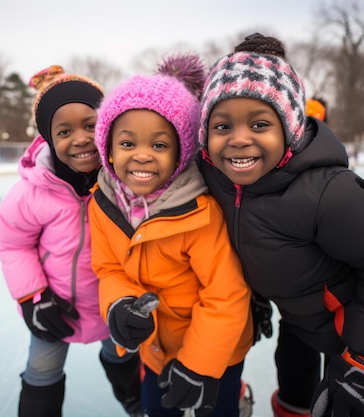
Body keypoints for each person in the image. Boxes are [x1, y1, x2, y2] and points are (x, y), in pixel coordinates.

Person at [196, 33, 364, 417]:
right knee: (296, 396)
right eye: (222, 126)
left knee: (345, 406)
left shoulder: (327, 194)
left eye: (260, 124)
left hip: (350, 330)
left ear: (290, 129)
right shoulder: (215, 175)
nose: (238, 140)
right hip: (295, 314)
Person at [89, 52, 254, 417]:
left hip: (216, 354)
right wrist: (118, 304)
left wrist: (199, 364)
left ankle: (236, 399)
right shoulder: (101, 205)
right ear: (109, 151)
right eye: (128, 144)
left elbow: (225, 294)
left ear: (181, 153)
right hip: (155, 350)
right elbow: (109, 269)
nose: (143, 156)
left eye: (159, 145)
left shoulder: (201, 212)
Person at [0, 65, 143, 417]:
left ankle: (136, 402)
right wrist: (33, 298)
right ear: (47, 138)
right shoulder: (30, 193)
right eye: (64, 131)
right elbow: (12, 245)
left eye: (90, 125)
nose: (79, 138)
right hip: (56, 308)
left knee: (122, 358)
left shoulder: (125, 181)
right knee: (41, 374)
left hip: (114, 303)